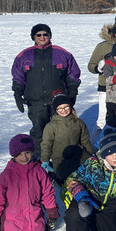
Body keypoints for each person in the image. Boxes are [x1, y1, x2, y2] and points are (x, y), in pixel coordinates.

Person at [0, 134, 59, 231]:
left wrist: (52, 214)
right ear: (13, 155)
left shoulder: (39, 171)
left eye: (28, 152)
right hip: (13, 222)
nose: (24, 157)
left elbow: (47, 194)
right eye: (19, 154)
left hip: (34, 219)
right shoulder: (6, 176)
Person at [11, 24, 81, 156]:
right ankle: (39, 159)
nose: (42, 37)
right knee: (39, 131)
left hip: (58, 101)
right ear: (33, 37)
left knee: (62, 131)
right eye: (39, 35)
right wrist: (17, 93)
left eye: (45, 34)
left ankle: (61, 158)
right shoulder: (24, 55)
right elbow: (18, 77)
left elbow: (73, 73)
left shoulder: (62, 53)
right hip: (35, 101)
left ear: (49, 36)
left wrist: (72, 91)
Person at [41, 91, 94, 183]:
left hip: (78, 156)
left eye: (66, 107)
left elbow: (85, 140)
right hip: (61, 161)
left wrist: (91, 154)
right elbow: (46, 144)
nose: (63, 110)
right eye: (60, 108)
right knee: (68, 181)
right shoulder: (51, 126)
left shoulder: (78, 122)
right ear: (56, 110)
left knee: (91, 174)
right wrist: (45, 160)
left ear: (70, 106)